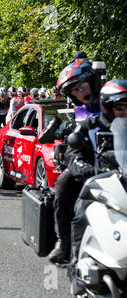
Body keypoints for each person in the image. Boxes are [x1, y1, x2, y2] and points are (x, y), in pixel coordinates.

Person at [48, 60, 105, 264]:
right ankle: (64, 244)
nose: (81, 93)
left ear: (93, 81)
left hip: (116, 160)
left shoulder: (112, 98)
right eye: (75, 91)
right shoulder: (80, 109)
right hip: (87, 163)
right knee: (63, 184)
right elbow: (75, 143)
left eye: (82, 86)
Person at [70, 79, 127, 261]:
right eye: (120, 107)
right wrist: (83, 166)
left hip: (124, 186)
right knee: (81, 214)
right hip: (98, 186)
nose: (125, 112)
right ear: (107, 107)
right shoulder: (89, 127)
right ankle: (76, 263)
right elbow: (73, 153)